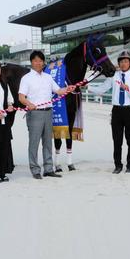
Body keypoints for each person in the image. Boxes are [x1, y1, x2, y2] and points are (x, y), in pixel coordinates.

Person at [18, 50, 75, 180]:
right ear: (32, 62)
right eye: (35, 60)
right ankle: (35, 169)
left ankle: (48, 169)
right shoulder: (26, 78)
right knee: (34, 142)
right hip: (34, 113)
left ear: (43, 62)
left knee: (47, 142)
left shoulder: (48, 77)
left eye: (40, 60)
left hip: (49, 112)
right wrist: (29, 104)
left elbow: (59, 91)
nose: (38, 63)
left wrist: (68, 89)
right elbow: (21, 97)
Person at [88, 51, 130, 174]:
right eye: (121, 61)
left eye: (126, 61)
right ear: (118, 63)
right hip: (116, 111)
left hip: (129, 111)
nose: (123, 64)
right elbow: (102, 89)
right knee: (117, 140)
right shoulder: (114, 76)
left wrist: (128, 89)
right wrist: (88, 88)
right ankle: (118, 165)